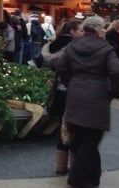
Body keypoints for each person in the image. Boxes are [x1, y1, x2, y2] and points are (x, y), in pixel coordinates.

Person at [54, 15, 119, 188]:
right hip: (97, 96)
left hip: (76, 94)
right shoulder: (106, 49)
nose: (105, 30)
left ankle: (93, 180)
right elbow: (117, 72)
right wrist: (114, 92)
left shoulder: (72, 46)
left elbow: (61, 67)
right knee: (91, 139)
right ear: (97, 29)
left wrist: (72, 83)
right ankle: (76, 179)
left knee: (82, 137)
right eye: (103, 28)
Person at [40, 18, 83, 174]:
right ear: (72, 31)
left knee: (62, 128)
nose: (82, 33)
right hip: (71, 92)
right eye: (80, 30)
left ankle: (60, 165)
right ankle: (74, 165)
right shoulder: (74, 47)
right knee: (74, 129)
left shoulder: (53, 45)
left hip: (58, 91)